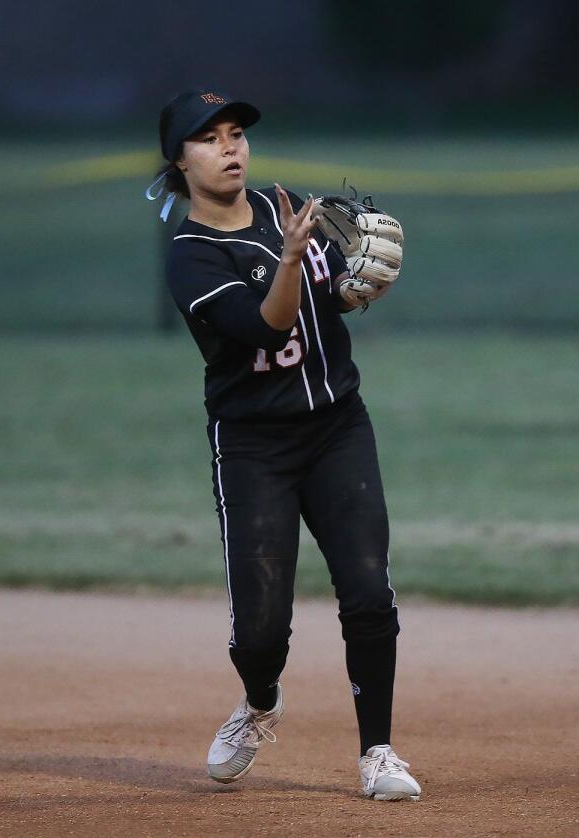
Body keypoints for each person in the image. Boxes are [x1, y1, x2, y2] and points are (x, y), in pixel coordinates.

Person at [152, 89, 420, 801]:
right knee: (263, 629)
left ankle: (378, 752)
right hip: (253, 447)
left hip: (337, 426)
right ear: (179, 161)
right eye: (209, 138)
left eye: (236, 133)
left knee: (367, 588)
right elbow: (268, 326)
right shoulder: (190, 258)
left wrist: (358, 281)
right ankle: (261, 702)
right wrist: (294, 263)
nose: (230, 147)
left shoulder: (285, 209)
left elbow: (329, 299)